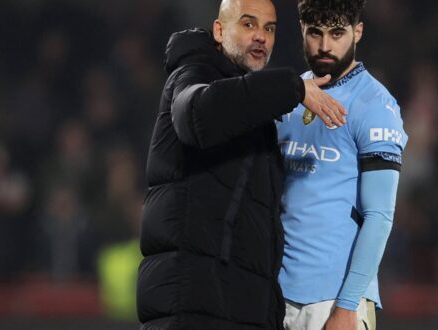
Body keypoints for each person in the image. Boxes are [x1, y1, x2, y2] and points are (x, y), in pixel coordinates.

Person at [136, 0, 347, 329]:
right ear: (219, 31)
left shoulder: (256, 116)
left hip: (235, 309)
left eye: (269, 28)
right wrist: (290, 87)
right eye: (248, 25)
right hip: (195, 309)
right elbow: (197, 116)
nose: (261, 37)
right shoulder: (195, 70)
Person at [276, 1, 408, 329]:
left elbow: (379, 216)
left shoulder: (374, 105)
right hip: (275, 295)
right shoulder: (289, 97)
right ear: (302, 31)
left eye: (337, 33)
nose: (324, 46)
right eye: (315, 33)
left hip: (333, 301)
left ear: (357, 31)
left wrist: (347, 306)